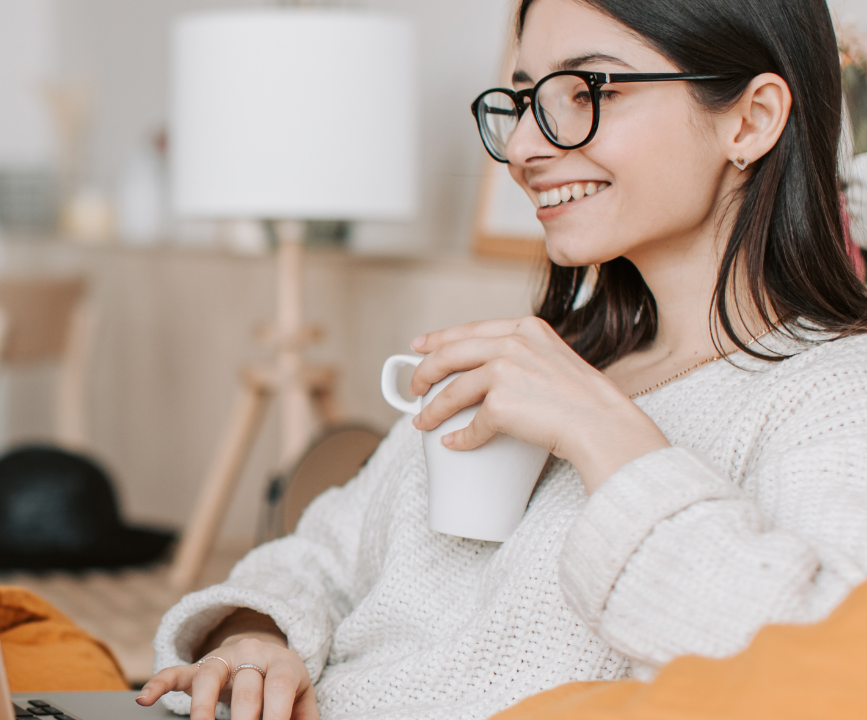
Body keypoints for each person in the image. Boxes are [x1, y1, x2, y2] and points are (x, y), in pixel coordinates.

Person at [137, 0, 867, 719]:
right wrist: (255, 638)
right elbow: (318, 557)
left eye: (586, 92)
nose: (522, 148)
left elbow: (816, 657)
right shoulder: (547, 356)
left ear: (752, 119)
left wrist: (607, 438)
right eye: (521, 100)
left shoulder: (832, 393)